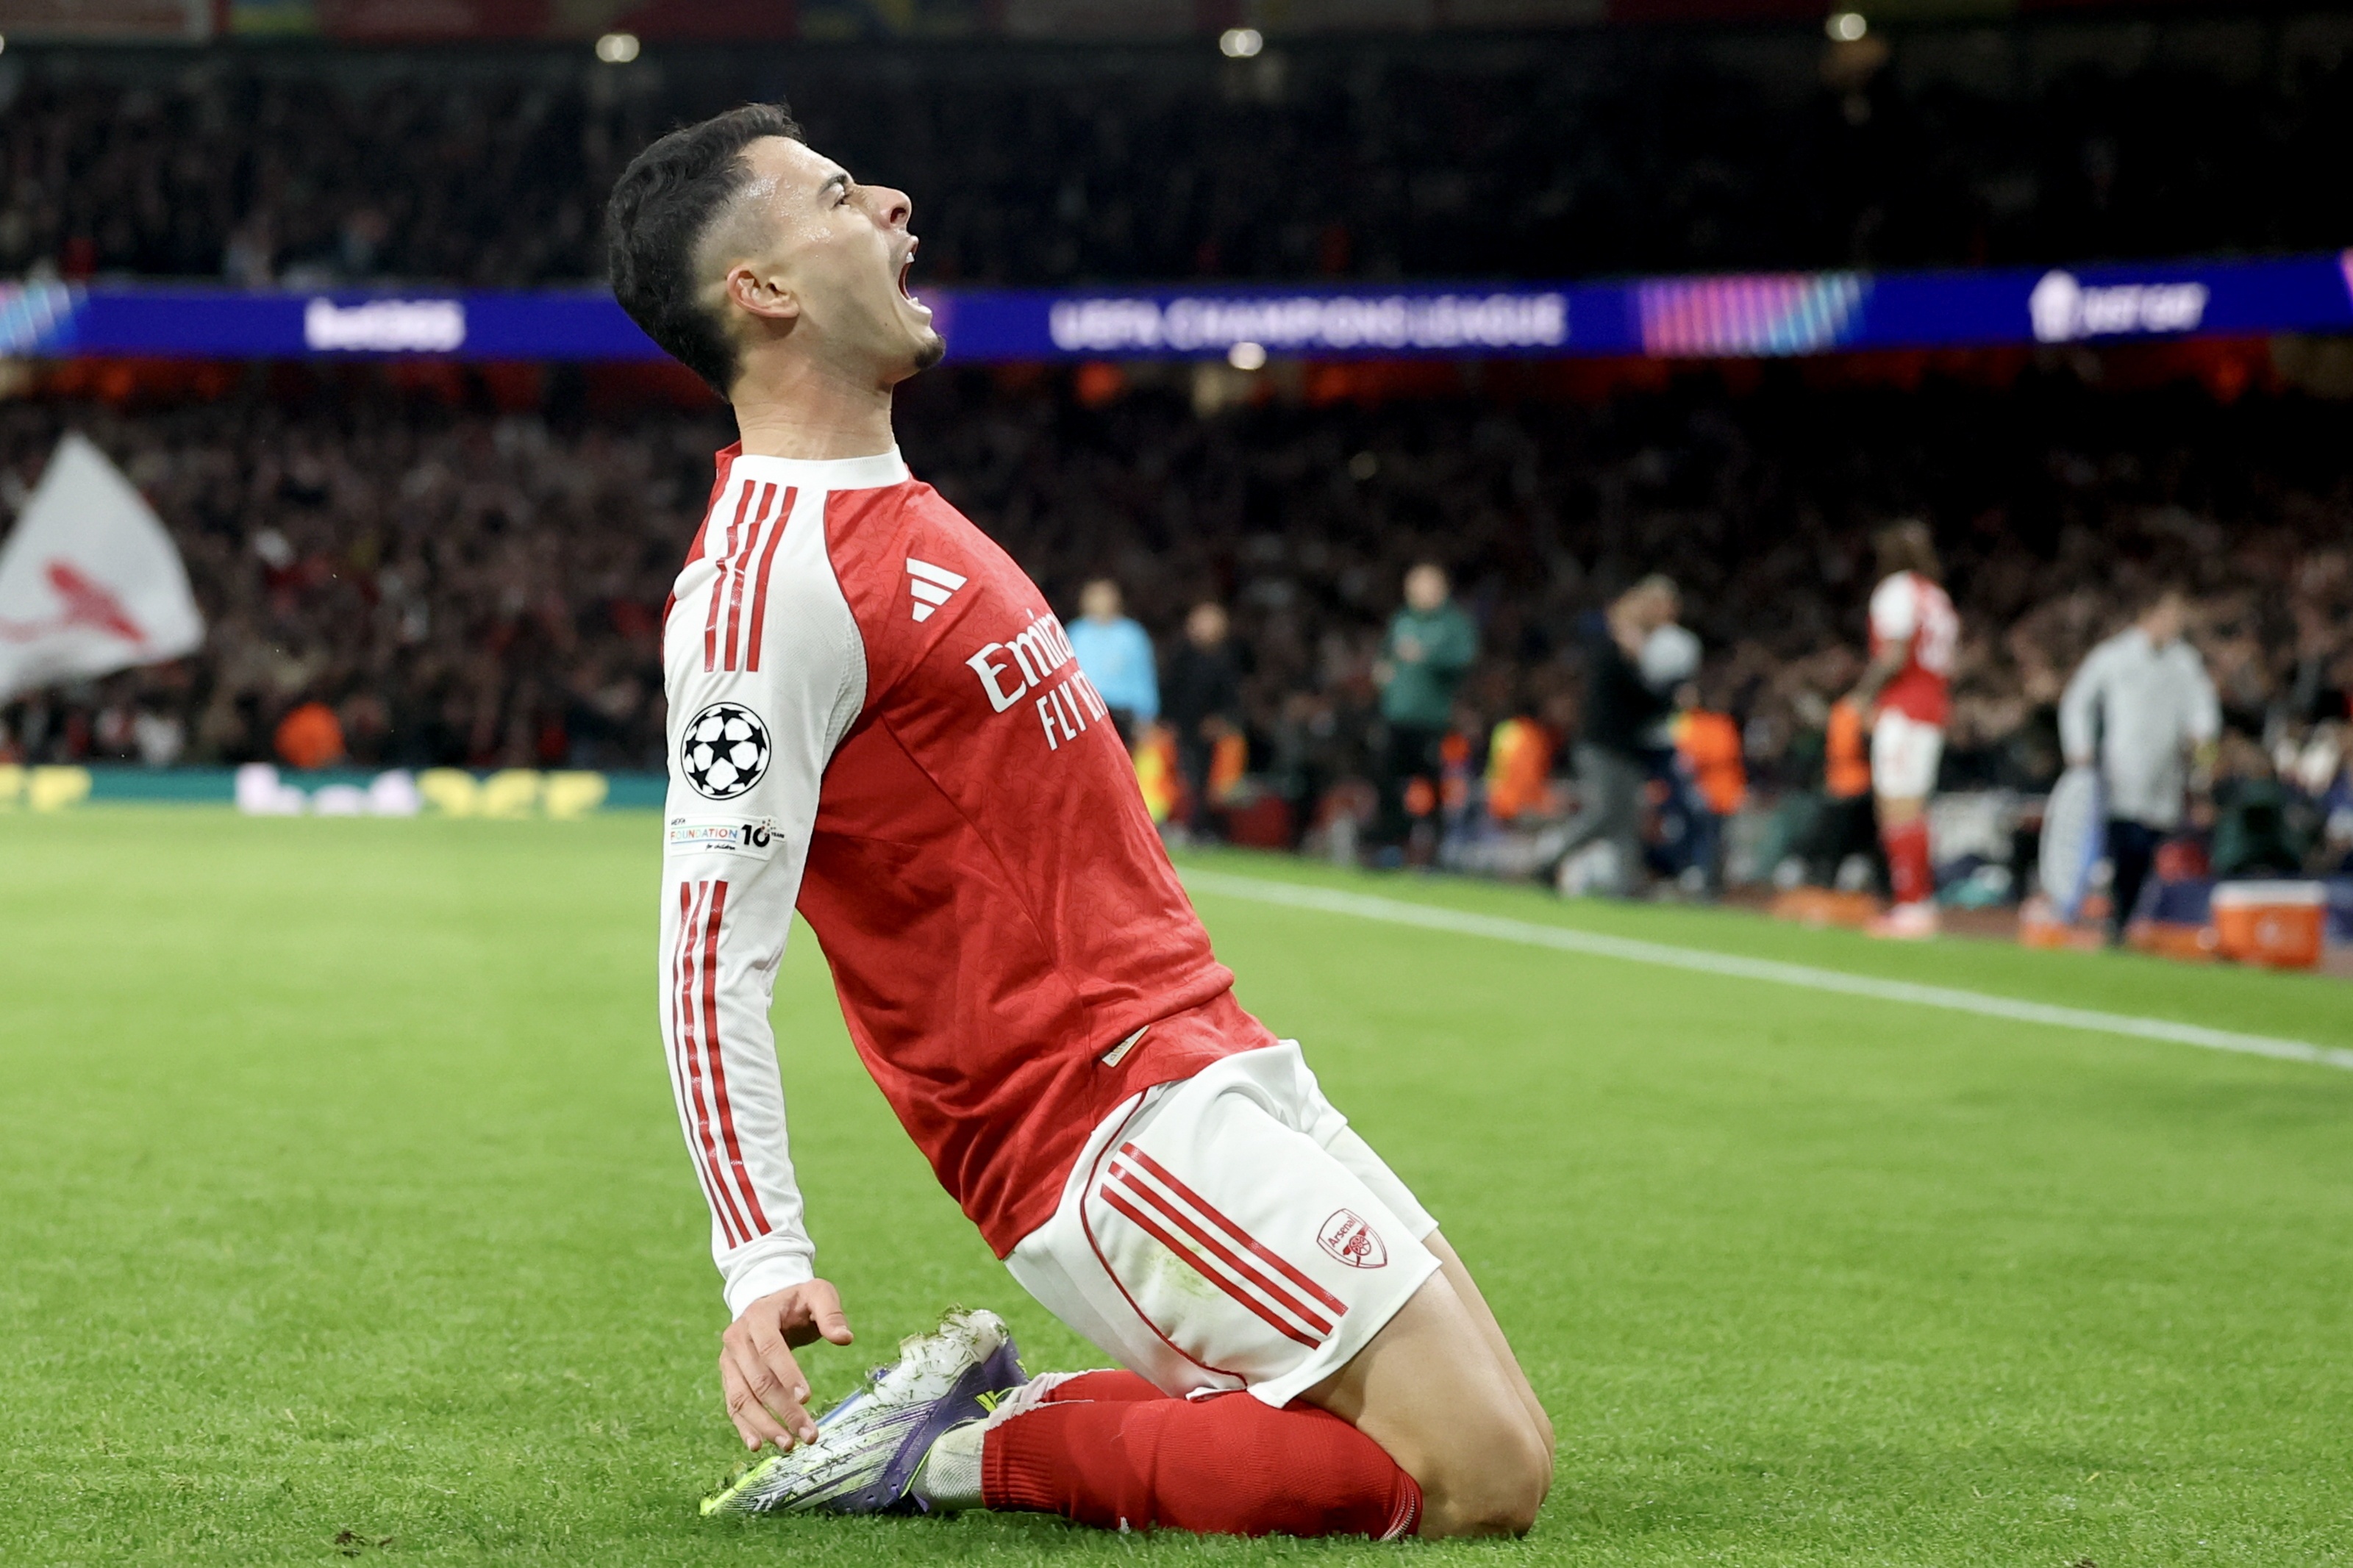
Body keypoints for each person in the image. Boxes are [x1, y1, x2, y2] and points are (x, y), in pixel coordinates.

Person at [604, 104, 1550, 1539]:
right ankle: (956, 1451)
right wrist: (762, 1256)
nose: (893, 200)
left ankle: (981, 1413)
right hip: (1097, 1117)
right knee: (1477, 1480)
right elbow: (704, 955)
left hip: (1206, 1052)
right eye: (840, 194)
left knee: (1494, 1437)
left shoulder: (901, 512)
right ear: (764, 289)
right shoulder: (766, 586)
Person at [2058, 590, 2221, 943]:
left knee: (2147, 848)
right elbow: (2077, 701)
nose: (2175, 624)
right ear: (2148, 614)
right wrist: (2080, 748)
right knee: (2122, 844)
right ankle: (2109, 916)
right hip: (2122, 770)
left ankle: (2124, 918)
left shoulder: (2185, 662)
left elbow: (2204, 713)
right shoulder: (2114, 655)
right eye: (2169, 615)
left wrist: (2203, 755)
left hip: (2165, 773)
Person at [1849, 521, 1958, 939]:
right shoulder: (1937, 596)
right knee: (1912, 806)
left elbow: (1894, 655)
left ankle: (1913, 905)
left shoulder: (1897, 590)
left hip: (1905, 709)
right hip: (1932, 708)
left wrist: (1861, 696)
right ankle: (1918, 902)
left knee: (1898, 806)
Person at [1549, 577, 1676, 898]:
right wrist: (1670, 696)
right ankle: (1548, 861)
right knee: (1605, 815)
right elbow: (1638, 701)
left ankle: (1625, 886)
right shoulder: (1611, 654)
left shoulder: (1630, 656)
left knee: (1627, 820)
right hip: (1604, 747)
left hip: (1624, 749)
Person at [1370, 562, 1477, 856]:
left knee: (1434, 785)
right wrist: (1382, 670)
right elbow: (1386, 654)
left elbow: (1464, 659)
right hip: (1396, 716)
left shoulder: (1453, 624)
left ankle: (1436, 850)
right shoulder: (1402, 619)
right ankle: (1391, 844)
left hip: (1432, 720)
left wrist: (1427, 656)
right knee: (1387, 781)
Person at [1160, 600, 1243, 837]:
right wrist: (1166, 721)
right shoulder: (1181, 657)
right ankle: (1172, 822)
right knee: (1175, 779)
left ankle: (1199, 827)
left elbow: (1231, 698)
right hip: (1179, 729)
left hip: (1208, 734)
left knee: (1205, 784)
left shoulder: (1226, 660)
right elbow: (1169, 690)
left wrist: (1220, 721)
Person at [1065, 578, 1157, 743]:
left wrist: (1146, 715)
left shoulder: (1132, 635)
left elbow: (1143, 676)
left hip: (1122, 713)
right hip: (1084, 711)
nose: (1101, 601)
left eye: (1105, 595)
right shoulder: (1076, 633)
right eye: (1095, 596)